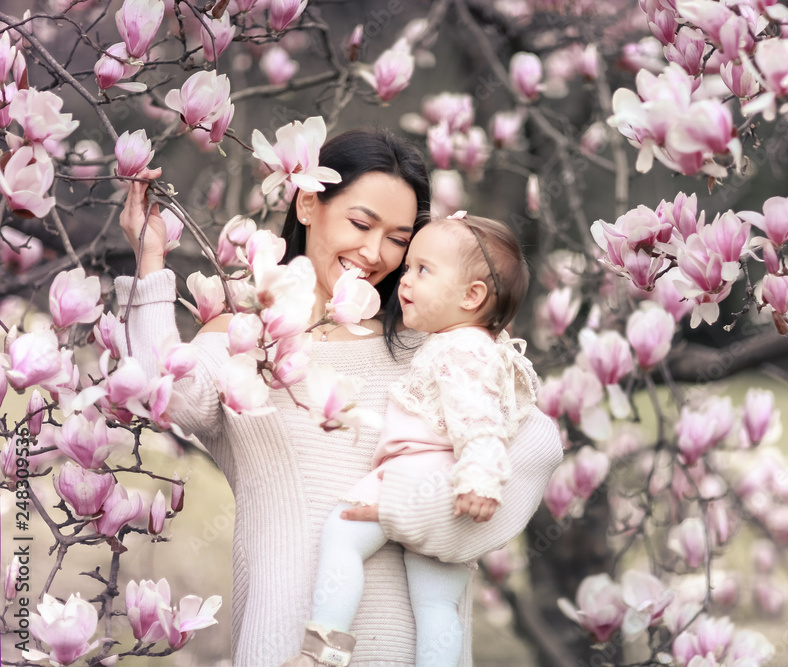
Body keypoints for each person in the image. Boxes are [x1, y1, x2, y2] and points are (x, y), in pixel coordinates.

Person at [115, 128, 563, 666]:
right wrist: (149, 257)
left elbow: (536, 446)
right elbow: (155, 386)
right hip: (286, 648)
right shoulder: (248, 341)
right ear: (308, 202)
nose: (375, 253)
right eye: (360, 223)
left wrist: (409, 513)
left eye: (400, 238)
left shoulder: (438, 351)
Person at [283, 213, 537, 667]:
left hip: (418, 472)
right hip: (450, 490)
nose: (405, 281)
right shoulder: (478, 344)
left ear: (472, 295)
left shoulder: (463, 349)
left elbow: (481, 421)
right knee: (437, 606)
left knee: (341, 536)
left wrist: (480, 479)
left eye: (423, 270)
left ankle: (322, 654)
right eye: (408, 268)